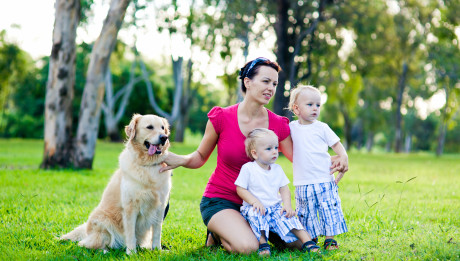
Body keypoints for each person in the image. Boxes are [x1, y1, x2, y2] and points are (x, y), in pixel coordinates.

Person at [160, 57, 348, 254]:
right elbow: (200, 156)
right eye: (266, 81)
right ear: (247, 82)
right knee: (249, 247)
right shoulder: (221, 117)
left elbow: (300, 158)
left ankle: (244, 227)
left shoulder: (278, 124)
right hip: (223, 199)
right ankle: (217, 232)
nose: (271, 88)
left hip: (265, 204)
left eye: (275, 83)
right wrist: (179, 160)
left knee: (301, 243)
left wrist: (337, 158)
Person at [235, 128, 320, 256]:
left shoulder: (277, 169)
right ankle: (263, 244)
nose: (274, 151)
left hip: (275, 208)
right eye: (269, 149)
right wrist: (254, 202)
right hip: (257, 208)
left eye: (276, 147)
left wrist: (287, 205)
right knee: (257, 218)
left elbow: (284, 189)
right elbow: (240, 189)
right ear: (255, 153)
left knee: (289, 218)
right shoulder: (248, 169)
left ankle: (307, 242)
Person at [288, 85, 349, 250]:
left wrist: (343, 156)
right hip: (302, 181)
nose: (315, 108)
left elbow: (337, 145)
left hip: (324, 178)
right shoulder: (292, 128)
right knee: (305, 212)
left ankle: (330, 239)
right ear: (296, 108)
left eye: (318, 105)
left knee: (328, 209)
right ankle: (310, 237)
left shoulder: (322, 127)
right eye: (310, 104)